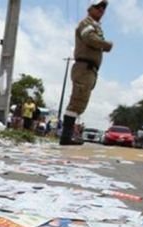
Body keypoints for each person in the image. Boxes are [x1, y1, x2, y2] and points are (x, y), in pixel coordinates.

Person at [61, 0, 113, 145]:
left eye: (103, 8)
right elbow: (89, 38)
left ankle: (68, 135)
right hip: (84, 67)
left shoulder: (95, 25)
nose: (101, 10)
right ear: (90, 8)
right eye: (98, 7)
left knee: (80, 102)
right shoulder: (86, 23)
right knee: (76, 101)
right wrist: (106, 45)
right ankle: (65, 137)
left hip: (89, 69)